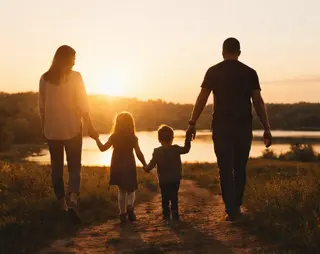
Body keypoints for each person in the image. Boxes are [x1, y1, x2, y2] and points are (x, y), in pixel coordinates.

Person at [186, 38, 272, 221]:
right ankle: (237, 205)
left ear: (223, 52)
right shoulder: (250, 73)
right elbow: (257, 101)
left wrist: (192, 123)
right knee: (240, 167)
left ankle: (230, 208)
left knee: (224, 168)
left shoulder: (213, 71)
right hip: (243, 127)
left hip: (221, 127)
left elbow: (202, 98)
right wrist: (266, 127)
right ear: (239, 52)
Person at [38, 45, 99, 223]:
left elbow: (42, 108)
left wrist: (43, 128)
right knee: (74, 167)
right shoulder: (76, 77)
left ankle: (62, 206)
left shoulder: (44, 78)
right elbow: (83, 105)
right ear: (66, 58)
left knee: (56, 169)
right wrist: (90, 126)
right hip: (72, 128)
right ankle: (72, 201)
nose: (75, 60)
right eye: (73, 57)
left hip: (52, 130)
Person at [94, 112, 147, 224]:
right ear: (130, 124)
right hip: (129, 165)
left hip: (117, 166)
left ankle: (122, 214)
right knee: (131, 190)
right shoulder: (133, 138)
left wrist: (96, 139)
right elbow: (139, 153)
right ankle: (130, 206)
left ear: (117, 124)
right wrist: (145, 164)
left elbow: (103, 148)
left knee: (121, 190)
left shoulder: (114, 137)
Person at [144, 125, 191, 221]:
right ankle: (175, 213)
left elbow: (152, 164)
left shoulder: (157, 151)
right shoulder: (176, 148)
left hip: (163, 179)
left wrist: (146, 168)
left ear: (159, 139)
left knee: (164, 196)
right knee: (174, 195)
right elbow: (186, 149)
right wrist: (188, 138)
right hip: (175, 178)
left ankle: (166, 215)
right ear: (172, 138)